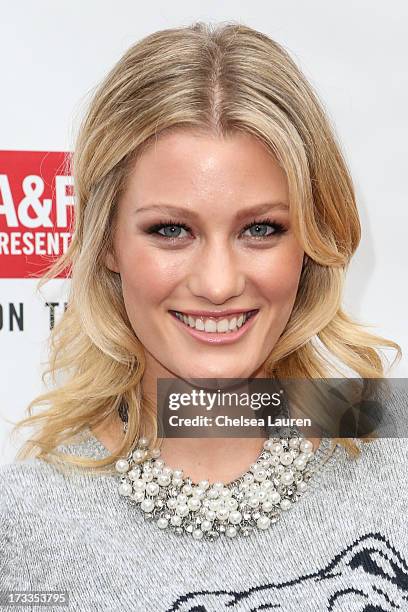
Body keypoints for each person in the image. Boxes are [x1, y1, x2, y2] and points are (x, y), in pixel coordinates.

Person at [1, 21, 406, 612]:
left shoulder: (393, 440)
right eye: (171, 230)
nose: (218, 284)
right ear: (107, 240)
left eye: (261, 229)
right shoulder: (32, 521)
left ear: (311, 239)